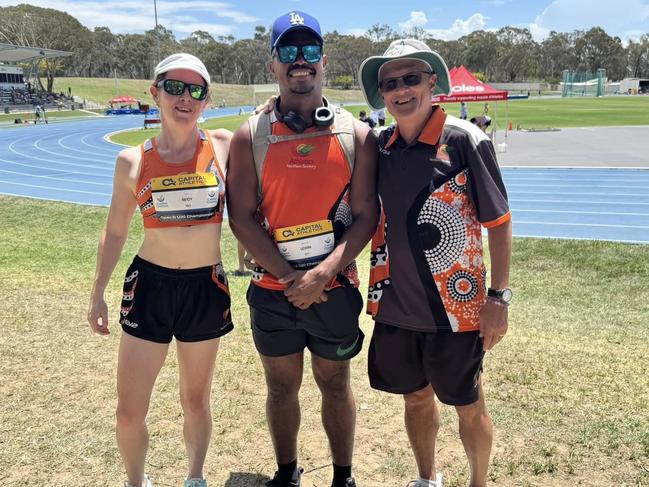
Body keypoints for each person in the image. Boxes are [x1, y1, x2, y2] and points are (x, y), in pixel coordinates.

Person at [227, 10, 377, 487]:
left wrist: (323, 275)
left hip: (333, 290)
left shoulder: (356, 136)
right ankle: (287, 473)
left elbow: (366, 217)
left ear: (324, 61)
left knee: (335, 384)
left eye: (309, 51)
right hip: (273, 293)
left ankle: (343, 477)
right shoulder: (250, 136)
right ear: (273, 64)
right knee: (280, 387)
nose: (300, 61)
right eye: (288, 52)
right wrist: (294, 280)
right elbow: (242, 218)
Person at [358, 39, 512, 487]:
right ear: (381, 93)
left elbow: (499, 224)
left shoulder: (465, 140)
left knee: (469, 403)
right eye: (391, 83)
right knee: (415, 399)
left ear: (432, 82)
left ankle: (478, 482)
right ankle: (427, 478)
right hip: (397, 309)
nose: (401, 90)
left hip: (457, 312)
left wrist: (498, 298)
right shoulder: (380, 145)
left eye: (411, 79)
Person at [87, 53, 233, 487]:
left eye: (196, 90)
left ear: (206, 100)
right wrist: (97, 292)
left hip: (205, 287)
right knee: (129, 410)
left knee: (196, 401)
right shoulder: (132, 162)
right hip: (150, 285)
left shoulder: (223, 145)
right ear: (155, 94)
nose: (184, 97)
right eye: (174, 87)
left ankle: (195, 476)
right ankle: (136, 481)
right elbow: (114, 233)